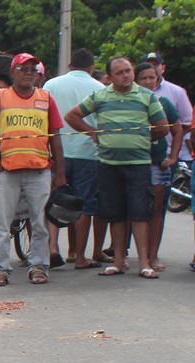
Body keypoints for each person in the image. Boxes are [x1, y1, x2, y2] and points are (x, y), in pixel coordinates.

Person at [64, 57, 168, 279]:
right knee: (116, 214)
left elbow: (163, 127)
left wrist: (142, 137)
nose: (126, 75)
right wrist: (92, 133)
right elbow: (72, 116)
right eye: (120, 72)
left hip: (139, 164)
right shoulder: (100, 96)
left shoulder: (146, 96)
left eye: (128, 71)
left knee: (140, 214)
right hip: (109, 164)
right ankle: (118, 261)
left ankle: (144, 263)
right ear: (110, 77)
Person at [0, 52, 66, 286]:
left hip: (39, 171)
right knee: (2, 223)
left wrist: (59, 172)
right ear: (13, 72)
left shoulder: (47, 99)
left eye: (32, 69)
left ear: (38, 74)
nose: (28, 73)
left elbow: (56, 138)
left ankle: (38, 267)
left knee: (39, 223)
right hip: (8, 172)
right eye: (23, 69)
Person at [42, 48, 107, 270]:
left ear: (69, 65)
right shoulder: (100, 88)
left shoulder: (51, 84)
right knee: (84, 204)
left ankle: (53, 248)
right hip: (87, 153)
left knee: (53, 199)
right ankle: (79, 257)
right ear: (91, 67)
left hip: (55, 151)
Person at [135, 62, 183, 272]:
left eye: (151, 77)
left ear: (157, 79)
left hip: (157, 164)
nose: (147, 81)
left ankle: (152, 256)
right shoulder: (131, 103)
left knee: (155, 211)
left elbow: (178, 130)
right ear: (136, 80)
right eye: (143, 77)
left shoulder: (164, 102)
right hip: (133, 163)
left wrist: (173, 157)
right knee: (135, 211)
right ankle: (135, 256)